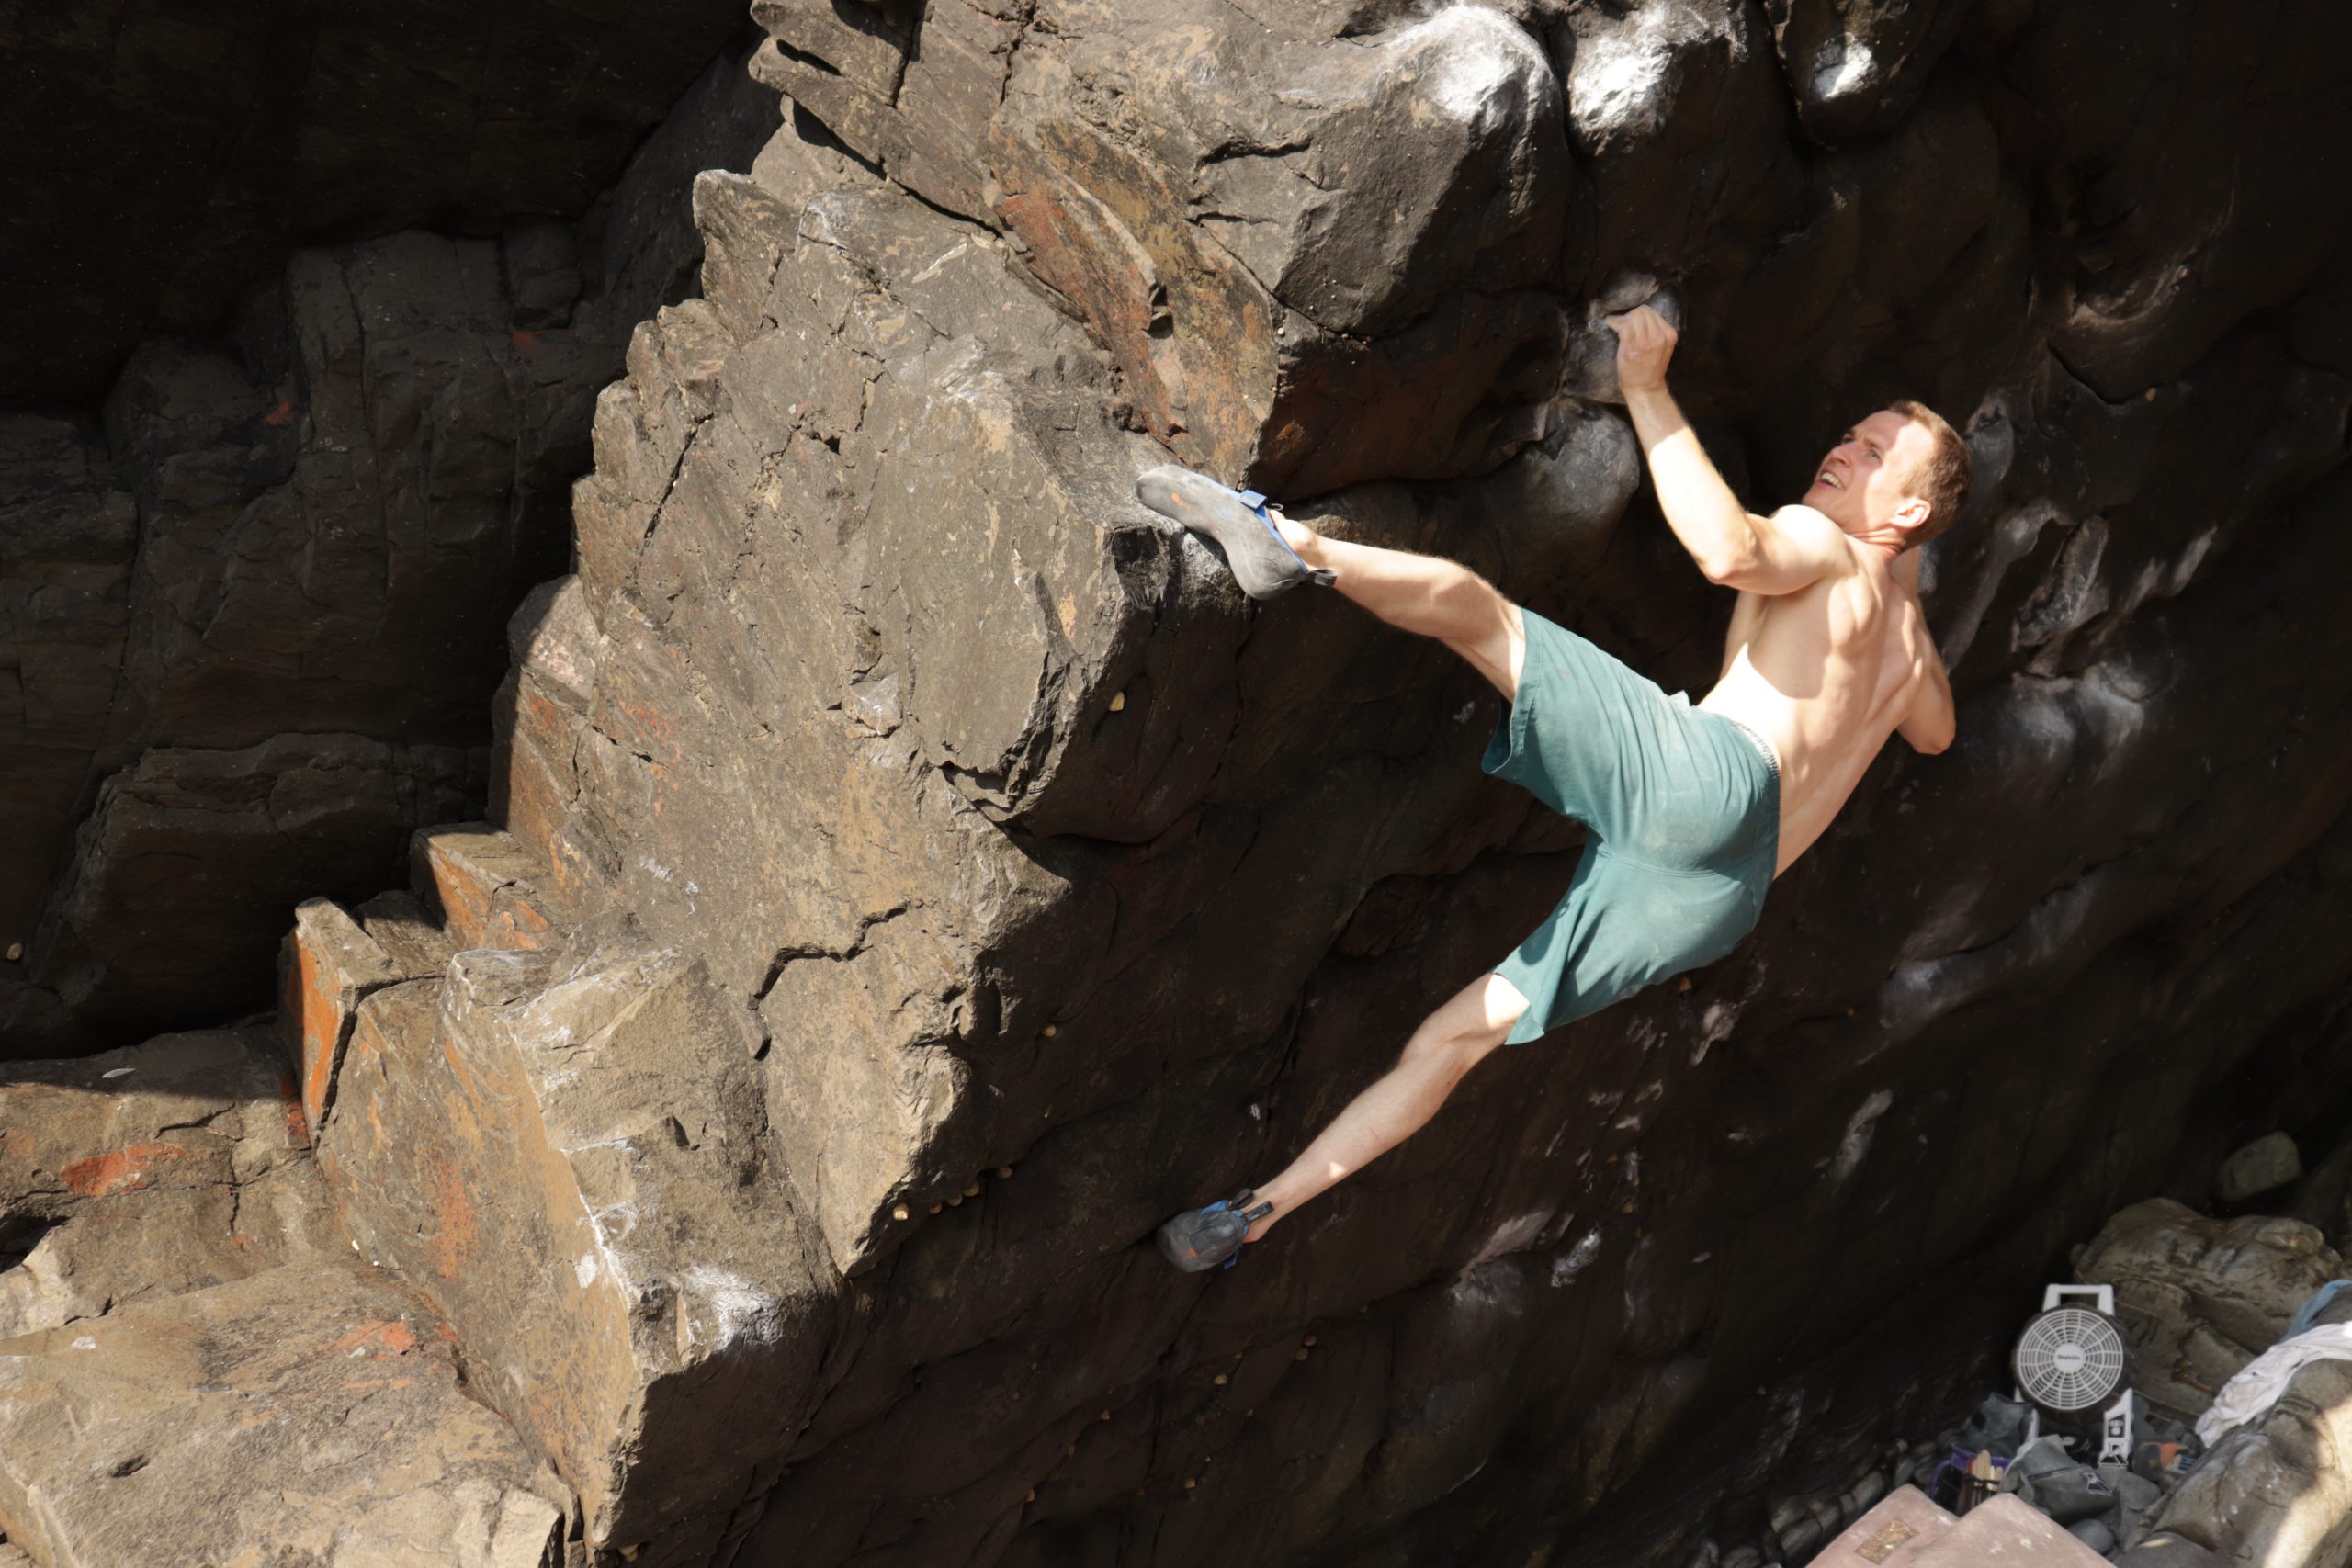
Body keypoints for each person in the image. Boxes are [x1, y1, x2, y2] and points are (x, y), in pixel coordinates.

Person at [1147, 305, 1968, 1270]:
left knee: (1478, 613)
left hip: (1709, 781)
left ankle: (1285, 545)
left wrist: (1648, 390)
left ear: (1904, 513)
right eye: (1851, 434)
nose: (1843, 450)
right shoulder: (1912, 658)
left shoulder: (1822, 547)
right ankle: (1252, 1215)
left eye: (1874, 454)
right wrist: (1905, 571)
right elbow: (1937, 736)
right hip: (1721, 895)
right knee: (1454, 1038)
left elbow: (1729, 553)